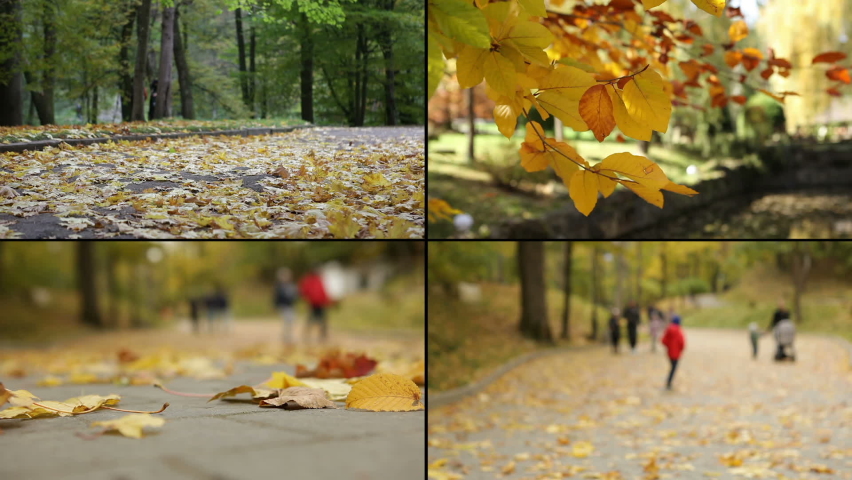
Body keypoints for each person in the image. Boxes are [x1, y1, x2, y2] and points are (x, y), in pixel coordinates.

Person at [299, 266, 332, 343]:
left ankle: (323, 335)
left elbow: (323, 292)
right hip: (312, 303)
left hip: (321, 303)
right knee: (310, 320)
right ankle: (307, 335)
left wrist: (327, 301)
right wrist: (306, 299)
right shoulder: (308, 280)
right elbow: (304, 291)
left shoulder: (320, 279)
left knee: (322, 320)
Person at [273, 267, 299, 344]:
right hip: (283, 306)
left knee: (291, 321)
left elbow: (295, 295)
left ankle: (288, 335)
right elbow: (276, 297)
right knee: (287, 321)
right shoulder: (279, 286)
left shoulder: (291, 285)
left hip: (290, 306)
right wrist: (276, 306)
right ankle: (286, 336)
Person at [661, 311, 685, 390]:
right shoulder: (679, 331)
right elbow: (682, 343)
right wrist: (680, 350)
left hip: (669, 352)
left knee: (672, 367)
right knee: (673, 368)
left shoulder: (668, 329)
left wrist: (669, 346)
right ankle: (669, 382)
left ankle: (669, 382)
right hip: (676, 353)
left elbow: (663, 340)